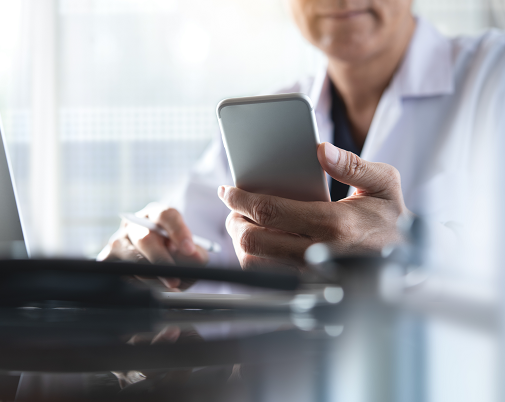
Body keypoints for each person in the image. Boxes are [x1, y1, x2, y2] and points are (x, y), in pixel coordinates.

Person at [98, 0, 505, 292]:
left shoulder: (494, 73)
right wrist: (149, 248)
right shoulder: (265, 117)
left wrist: (417, 249)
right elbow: (198, 242)